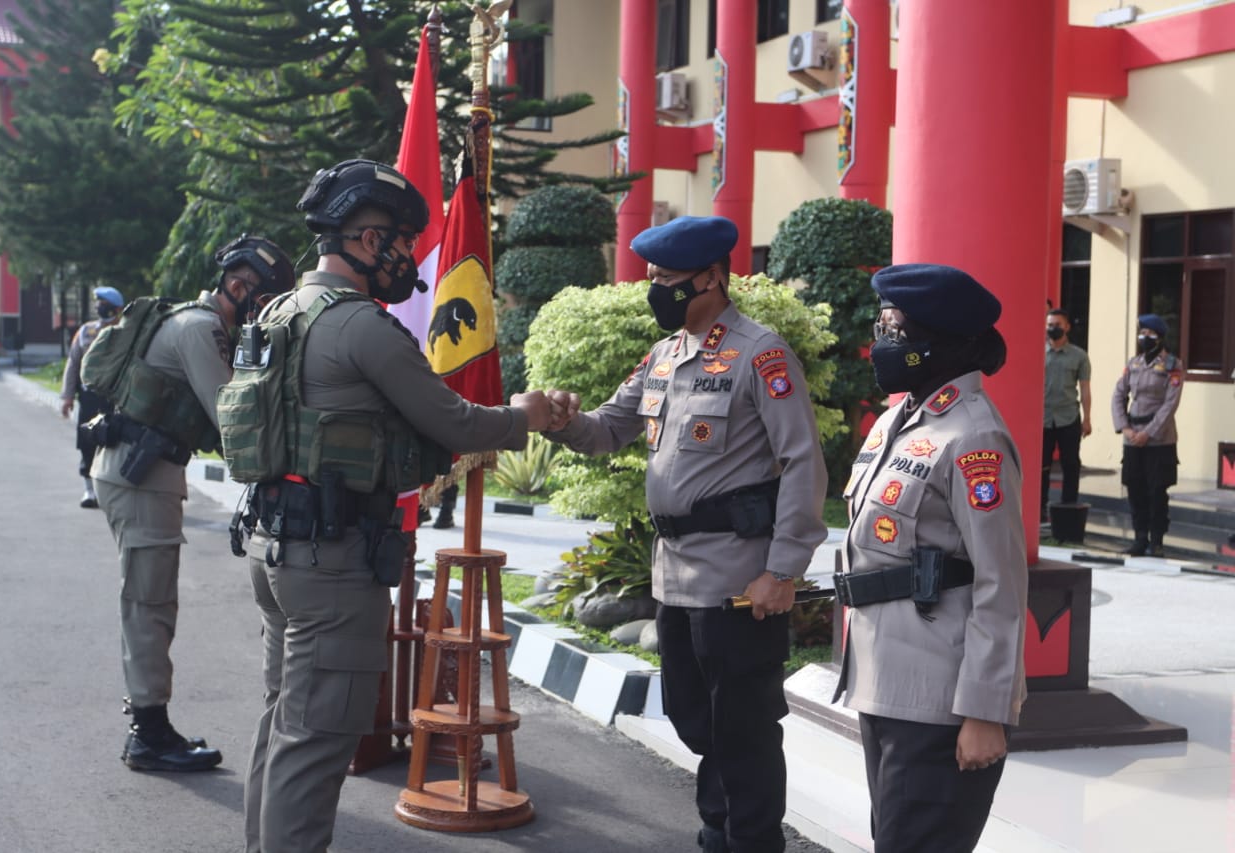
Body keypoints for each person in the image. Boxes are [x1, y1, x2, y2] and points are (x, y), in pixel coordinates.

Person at [240, 158, 557, 853]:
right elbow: (458, 423)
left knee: (284, 722)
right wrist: (524, 413)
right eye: (402, 241)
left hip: (275, 548)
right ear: (364, 239)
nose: (410, 257)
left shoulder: (279, 310)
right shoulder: (362, 327)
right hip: (332, 563)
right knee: (317, 739)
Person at [542, 215, 828, 853]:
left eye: (667, 280)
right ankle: (717, 832)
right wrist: (561, 419)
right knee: (697, 722)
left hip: (737, 576)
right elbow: (608, 429)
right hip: (674, 572)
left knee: (744, 728)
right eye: (652, 278)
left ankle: (742, 841)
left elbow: (803, 461)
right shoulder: (664, 356)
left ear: (711, 277)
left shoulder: (762, 353)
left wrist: (782, 571)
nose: (656, 289)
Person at [833, 264, 1027, 853]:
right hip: (885, 678)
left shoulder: (974, 438)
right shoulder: (901, 418)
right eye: (882, 326)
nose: (881, 343)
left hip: (941, 697)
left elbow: (1001, 582)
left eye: (894, 330)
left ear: (937, 342)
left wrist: (986, 712)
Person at [89, 235, 296, 771]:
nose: (266, 311)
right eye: (264, 298)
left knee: (150, 601)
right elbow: (232, 417)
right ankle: (149, 734)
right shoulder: (202, 330)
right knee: (148, 604)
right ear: (237, 286)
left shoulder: (192, 321)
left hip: (141, 473)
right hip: (142, 478)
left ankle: (150, 724)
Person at [1110, 313, 1184, 557]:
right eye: (1142, 333)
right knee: (1135, 488)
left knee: (1157, 491)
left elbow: (1170, 405)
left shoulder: (1173, 365)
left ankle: (1157, 541)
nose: (1144, 337)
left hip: (1159, 440)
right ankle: (1139, 538)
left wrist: (1148, 433)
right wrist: (1126, 428)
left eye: (1149, 334)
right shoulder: (1134, 364)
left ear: (1160, 337)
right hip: (1132, 437)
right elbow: (1118, 396)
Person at [60, 286, 124, 508]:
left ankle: (109, 490)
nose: (99, 307)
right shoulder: (85, 331)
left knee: (114, 442)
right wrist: (67, 396)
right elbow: (73, 363)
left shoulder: (126, 330)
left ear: (117, 308)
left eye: (104, 304)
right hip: (89, 397)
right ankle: (89, 490)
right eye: (98, 303)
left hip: (115, 399)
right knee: (87, 443)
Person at [1041, 308, 1092, 522]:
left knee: (1071, 464)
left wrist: (1087, 418)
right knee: (1041, 466)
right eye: (1050, 324)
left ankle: (1068, 510)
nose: (1054, 328)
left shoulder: (1079, 356)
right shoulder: (1038, 352)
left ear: (1067, 327)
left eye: (1058, 324)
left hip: (1068, 416)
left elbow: (1085, 389)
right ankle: (1040, 510)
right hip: (1042, 419)